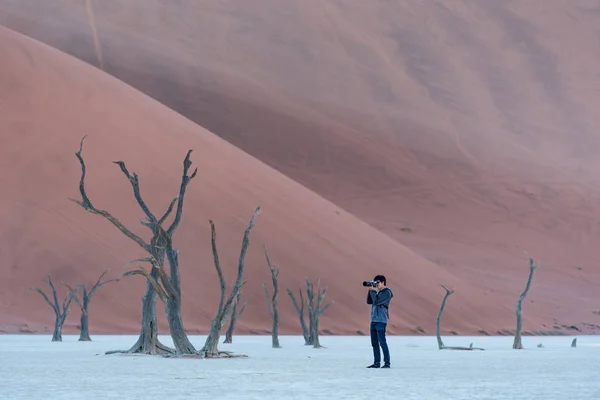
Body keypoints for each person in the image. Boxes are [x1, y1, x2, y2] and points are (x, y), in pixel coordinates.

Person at [365, 274, 393, 368]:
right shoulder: (377, 292)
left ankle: (387, 363)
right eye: (375, 283)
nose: (376, 285)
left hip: (381, 320)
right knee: (374, 343)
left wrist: (373, 291)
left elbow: (377, 302)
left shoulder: (387, 292)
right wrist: (370, 291)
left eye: (377, 283)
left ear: (383, 282)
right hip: (373, 320)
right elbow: (369, 301)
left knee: (382, 342)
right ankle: (376, 363)